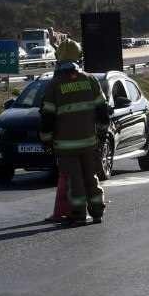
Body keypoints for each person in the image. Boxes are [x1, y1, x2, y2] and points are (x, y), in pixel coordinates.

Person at [39, 40, 110, 225]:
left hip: (65, 145)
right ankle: (97, 212)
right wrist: (101, 135)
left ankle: (78, 214)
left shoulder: (54, 86)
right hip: (89, 142)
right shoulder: (90, 80)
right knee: (91, 177)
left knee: (74, 180)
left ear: (58, 60)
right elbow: (103, 111)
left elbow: (47, 117)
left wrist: (46, 141)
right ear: (79, 58)